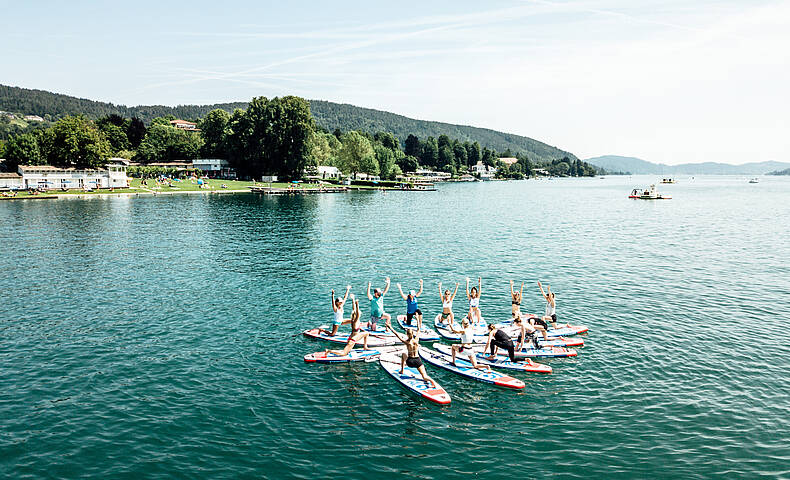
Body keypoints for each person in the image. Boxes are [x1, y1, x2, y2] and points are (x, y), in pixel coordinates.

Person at [384, 319, 436, 388]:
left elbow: (397, 334)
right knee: (424, 376)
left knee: (403, 355)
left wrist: (390, 327)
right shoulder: (416, 340)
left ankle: (402, 370)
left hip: (410, 361)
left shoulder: (407, 342)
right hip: (418, 361)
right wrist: (417, 319)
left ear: (407, 335)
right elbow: (418, 329)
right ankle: (432, 382)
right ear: (412, 334)